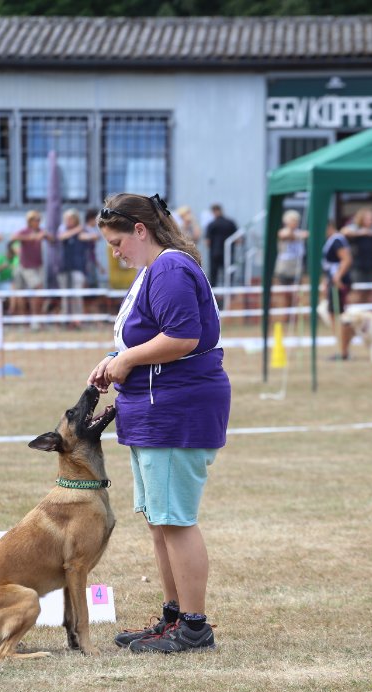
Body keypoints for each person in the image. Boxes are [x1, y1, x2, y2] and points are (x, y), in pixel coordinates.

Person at [87, 192, 231, 653]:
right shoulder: (156, 269)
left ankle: (194, 628)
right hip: (156, 408)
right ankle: (172, 618)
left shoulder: (169, 268)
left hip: (176, 409)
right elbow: (151, 335)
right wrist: (114, 358)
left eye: (117, 243)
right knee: (159, 520)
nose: (115, 253)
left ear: (140, 230)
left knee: (176, 521)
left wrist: (127, 359)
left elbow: (183, 337)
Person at [10, 210, 53, 329]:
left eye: (39, 220)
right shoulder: (24, 231)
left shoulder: (41, 231)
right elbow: (13, 237)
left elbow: (52, 239)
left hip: (38, 265)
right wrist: (30, 238)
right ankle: (28, 320)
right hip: (26, 266)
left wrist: (45, 235)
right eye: (36, 220)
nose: (38, 222)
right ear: (30, 221)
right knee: (34, 290)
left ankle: (36, 319)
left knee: (38, 293)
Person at [341, 207, 372, 303]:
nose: (371, 221)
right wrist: (360, 233)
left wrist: (371, 233)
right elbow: (344, 231)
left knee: (368, 291)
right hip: (357, 266)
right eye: (368, 219)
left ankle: (363, 309)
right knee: (356, 290)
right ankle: (353, 309)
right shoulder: (356, 227)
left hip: (371, 265)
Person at [57, 208, 95, 329]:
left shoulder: (83, 230)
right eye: (67, 219)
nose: (68, 221)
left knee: (77, 295)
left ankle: (77, 320)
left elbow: (94, 236)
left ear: (76, 219)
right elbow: (61, 237)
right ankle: (65, 320)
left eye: (71, 219)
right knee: (65, 296)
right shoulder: (64, 229)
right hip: (64, 268)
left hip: (78, 268)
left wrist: (81, 234)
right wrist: (77, 231)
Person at [321, 220, 353, 361]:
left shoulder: (337, 240)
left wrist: (337, 277)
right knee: (334, 315)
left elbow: (346, 259)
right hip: (333, 280)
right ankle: (341, 348)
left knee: (340, 316)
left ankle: (343, 350)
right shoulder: (331, 241)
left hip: (338, 282)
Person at [274, 209, 308, 318]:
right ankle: (287, 317)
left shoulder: (300, 232)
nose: (295, 223)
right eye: (292, 220)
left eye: (296, 220)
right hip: (284, 267)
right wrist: (295, 233)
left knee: (296, 293)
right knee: (286, 294)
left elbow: (306, 235)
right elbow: (287, 235)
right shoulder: (283, 232)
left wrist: (298, 235)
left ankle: (295, 316)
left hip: (297, 266)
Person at [205, 204, 237, 287]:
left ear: (213, 212)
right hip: (228, 253)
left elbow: (207, 242)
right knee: (228, 274)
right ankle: (229, 291)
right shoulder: (230, 223)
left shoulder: (211, 224)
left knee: (213, 275)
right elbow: (237, 239)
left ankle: (213, 292)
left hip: (215, 253)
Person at [0, 242, 19, 314]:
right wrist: (1, 267)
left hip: (16, 283)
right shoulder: (0, 258)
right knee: (13, 287)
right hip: (3, 282)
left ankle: (12, 312)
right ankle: (11, 311)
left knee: (15, 288)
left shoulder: (17, 258)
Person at [83, 208, 102, 288]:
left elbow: (92, 253)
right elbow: (81, 236)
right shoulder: (84, 229)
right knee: (89, 282)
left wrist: (99, 266)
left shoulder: (92, 230)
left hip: (91, 260)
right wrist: (93, 236)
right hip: (85, 261)